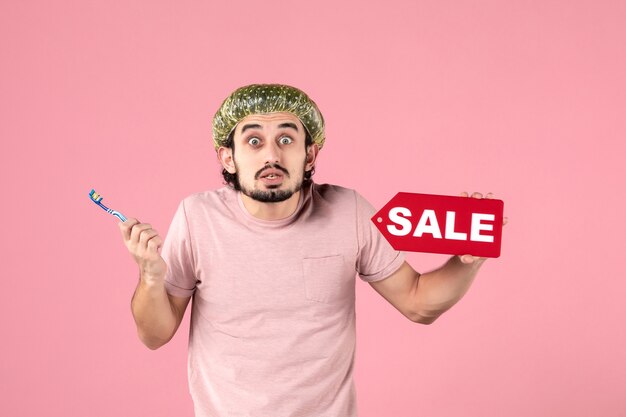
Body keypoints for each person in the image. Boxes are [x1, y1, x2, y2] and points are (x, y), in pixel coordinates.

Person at [119, 84, 507, 417]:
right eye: (253, 141)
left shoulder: (348, 212)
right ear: (228, 158)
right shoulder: (197, 217)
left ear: (310, 154)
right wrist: (151, 278)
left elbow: (418, 303)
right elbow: (155, 334)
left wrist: (467, 261)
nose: (271, 154)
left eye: (286, 139)